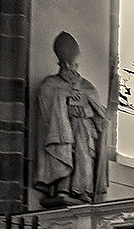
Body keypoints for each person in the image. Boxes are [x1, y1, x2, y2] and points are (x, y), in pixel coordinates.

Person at [34, 30, 108, 206]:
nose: (73, 69)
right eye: (69, 65)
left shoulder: (86, 86)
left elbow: (99, 113)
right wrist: (64, 99)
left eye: (75, 65)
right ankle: (62, 188)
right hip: (64, 131)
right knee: (64, 150)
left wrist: (93, 115)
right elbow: (47, 107)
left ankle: (83, 191)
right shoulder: (51, 84)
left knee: (84, 157)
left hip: (84, 131)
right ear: (62, 64)